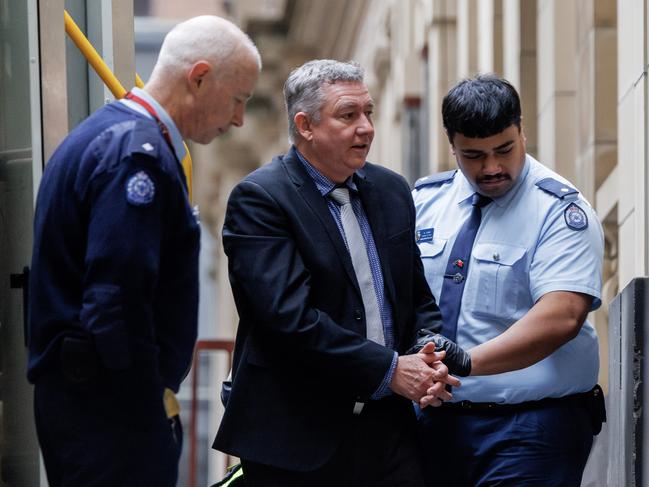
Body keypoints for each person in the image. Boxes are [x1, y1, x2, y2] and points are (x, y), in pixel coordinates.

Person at [27, 15, 260, 487]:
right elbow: (116, 301)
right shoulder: (139, 156)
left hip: (92, 408)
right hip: (112, 417)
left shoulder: (105, 137)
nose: (238, 118)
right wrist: (149, 404)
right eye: (237, 99)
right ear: (198, 78)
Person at [212, 59, 468, 487]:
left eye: (368, 112)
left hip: (391, 433)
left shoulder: (391, 190)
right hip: (298, 441)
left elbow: (416, 298)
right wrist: (391, 369)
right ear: (306, 126)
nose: (366, 127)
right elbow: (289, 320)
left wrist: (426, 352)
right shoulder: (260, 199)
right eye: (348, 115)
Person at [413, 74, 606, 486]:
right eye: (474, 155)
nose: (492, 167)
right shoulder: (424, 203)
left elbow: (562, 316)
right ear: (453, 146)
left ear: (522, 131)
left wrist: (467, 362)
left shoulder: (558, 210)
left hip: (530, 427)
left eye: (505, 149)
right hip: (433, 426)